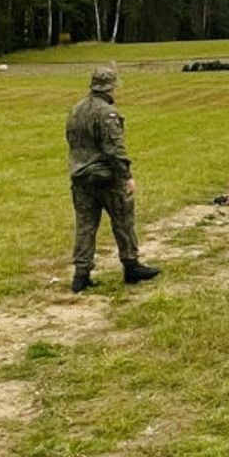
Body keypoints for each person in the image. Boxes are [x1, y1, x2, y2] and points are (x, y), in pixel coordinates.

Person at [65, 64, 161, 293]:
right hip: (106, 177)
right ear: (111, 86)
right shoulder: (107, 113)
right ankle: (131, 266)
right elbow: (114, 148)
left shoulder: (76, 110)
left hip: (80, 177)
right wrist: (126, 176)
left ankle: (81, 274)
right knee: (123, 221)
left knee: (85, 226)